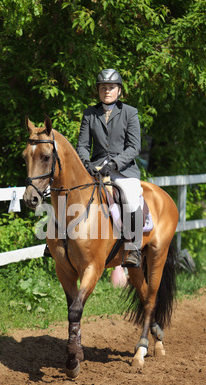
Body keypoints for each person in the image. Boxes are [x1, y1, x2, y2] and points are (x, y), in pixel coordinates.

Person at [76, 68, 143, 267]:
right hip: (95, 169)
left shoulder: (130, 113)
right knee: (69, 193)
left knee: (130, 197)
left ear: (119, 90)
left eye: (111, 87)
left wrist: (114, 164)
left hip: (123, 169)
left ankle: (134, 248)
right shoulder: (90, 113)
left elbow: (134, 147)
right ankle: (59, 240)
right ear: (98, 91)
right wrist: (85, 162)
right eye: (103, 87)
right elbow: (82, 145)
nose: (107, 91)